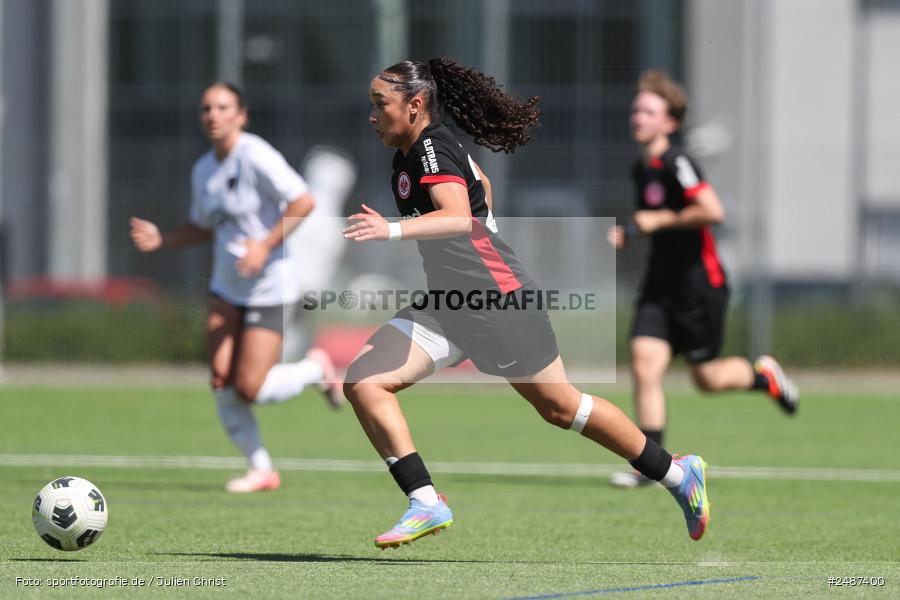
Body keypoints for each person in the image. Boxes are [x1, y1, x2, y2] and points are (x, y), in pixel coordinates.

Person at [342, 58, 710, 549]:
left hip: (498, 301)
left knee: (561, 408)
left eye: (379, 104)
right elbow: (481, 190)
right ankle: (426, 502)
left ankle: (675, 473)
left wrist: (392, 228)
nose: (371, 114)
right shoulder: (418, 151)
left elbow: (457, 217)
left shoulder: (431, 148)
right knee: (364, 383)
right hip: (450, 301)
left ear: (414, 105)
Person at [130, 82, 343, 493]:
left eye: (222, 107)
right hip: (225, 289)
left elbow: (304, 202)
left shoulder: (256, 155)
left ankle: (315, 368)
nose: (213, 115)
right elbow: (202, 227)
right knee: (220, 381)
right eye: (206, 108)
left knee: (251, 387)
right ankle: (261, 469)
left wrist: (264, 246)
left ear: (240, 115)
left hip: (269, 288)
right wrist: (164, 239)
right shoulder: (204, 170)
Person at [607, 71, 799, 488]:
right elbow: (658, 221)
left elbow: (711, 211)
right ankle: (652, 464)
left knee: (706, 378)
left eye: (648, 111)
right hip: (661, 284)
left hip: (699, 285)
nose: (637, 116)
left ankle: (762, 376)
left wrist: (657, 218)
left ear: (669, 123)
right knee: (644, 363)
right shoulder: (642, 169)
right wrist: (633, 233)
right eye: (636, 108)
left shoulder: (678, 161)